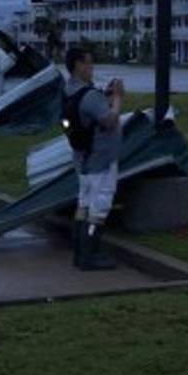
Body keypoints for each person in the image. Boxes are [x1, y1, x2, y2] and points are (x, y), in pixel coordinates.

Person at [62, 45, 124, 270]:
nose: (92, 67)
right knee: (99, 207)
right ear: (78, 65)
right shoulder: (89, 95)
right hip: (100, 160)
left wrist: (104, 96)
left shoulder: (69, 91)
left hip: (83, 159)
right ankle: (90, 256)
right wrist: (117, 98)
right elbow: (109, 120)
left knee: (84, 205)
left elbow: (88, 111)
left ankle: (80, 253)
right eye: (88, 62)